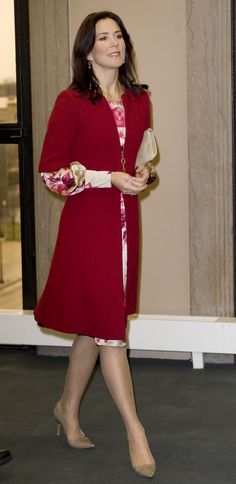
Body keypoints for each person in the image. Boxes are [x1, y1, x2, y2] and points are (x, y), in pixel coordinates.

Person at [34, 10, 157, 478]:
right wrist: (109, 179)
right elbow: (53, 173)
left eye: (119, 35)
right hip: (88, 228)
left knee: (96, 324)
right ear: (87, 51)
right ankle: (136, 432)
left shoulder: (140, 99)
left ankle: (67, 407)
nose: (114, 43)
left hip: (126, 223)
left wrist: (143, 175)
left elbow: (143, 155)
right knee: (111, 333)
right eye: (103, 37)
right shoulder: (71, 102)